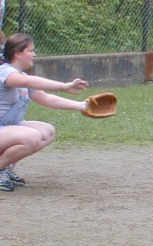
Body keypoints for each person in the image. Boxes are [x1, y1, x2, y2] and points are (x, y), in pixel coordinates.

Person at [0, 33, 90, 192]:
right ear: (18, 53)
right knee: (31, 136)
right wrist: (63, 86)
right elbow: (26, 82)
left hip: (6, 129)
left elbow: (48, 99)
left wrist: (82, 105)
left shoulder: (22, 75)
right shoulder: (5, 72)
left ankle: (5, 167)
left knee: (47, 131)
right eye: (30, 50)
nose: (34, 55)